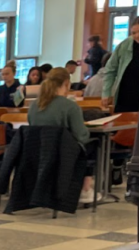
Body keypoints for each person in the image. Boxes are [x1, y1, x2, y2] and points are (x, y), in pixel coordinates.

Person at [29, 68, 97, 205]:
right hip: (64, 153)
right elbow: (81, 136)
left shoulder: (34, 106)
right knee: (93, 144)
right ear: (67, 83)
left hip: (38, 152)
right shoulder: (70, 107)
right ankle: (85, 188)